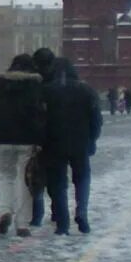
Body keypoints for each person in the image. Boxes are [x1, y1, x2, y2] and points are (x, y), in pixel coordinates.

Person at [0, 54, 47, 237]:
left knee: (6, 176)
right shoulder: (35, 86)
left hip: (3, 138)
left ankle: (4, 211)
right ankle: (22, 223)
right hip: (27, 140)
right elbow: (40, 115)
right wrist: (40, 139)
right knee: (24, 179)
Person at [40, 60, 102, 234]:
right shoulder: (86, 90)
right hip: (80, 143)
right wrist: (92, 139)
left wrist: (42, 140)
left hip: (53, 144)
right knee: (82, 179)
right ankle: (82, 212)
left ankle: (62, 223)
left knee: (58, 183)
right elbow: (96, 119)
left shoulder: (47, 91)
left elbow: (39, 119)